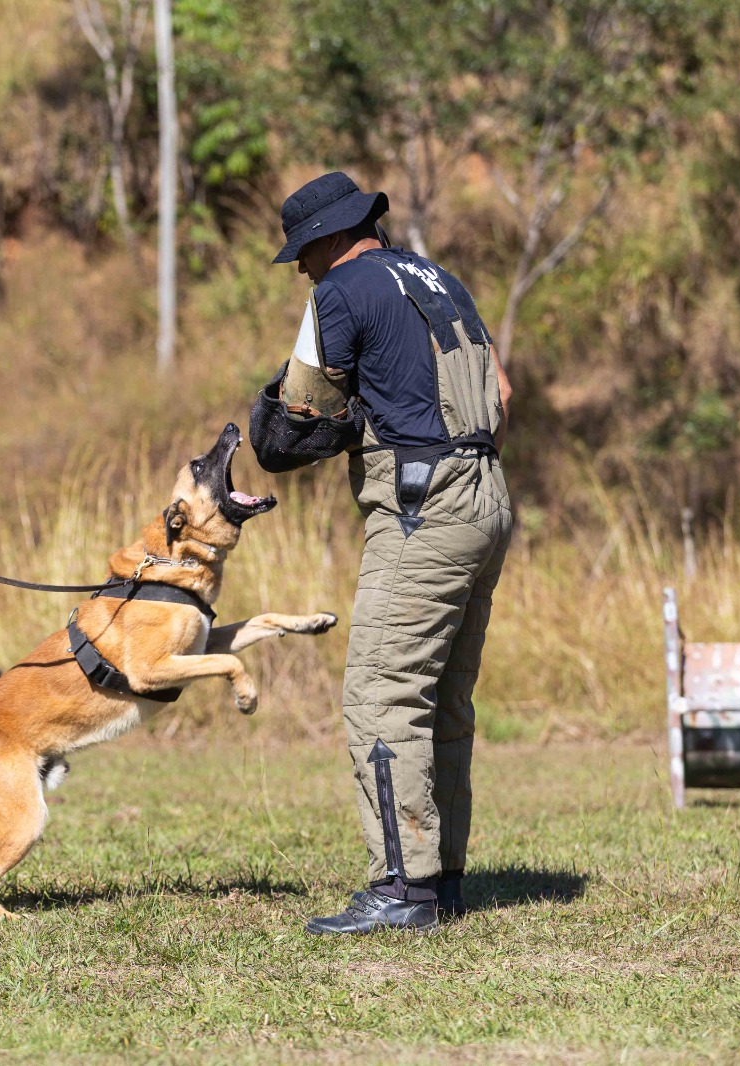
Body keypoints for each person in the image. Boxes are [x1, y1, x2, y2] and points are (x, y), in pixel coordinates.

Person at [263, 172, 514, 935]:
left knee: (382, 697)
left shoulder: (338, 291)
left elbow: (300, 411)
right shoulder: (440, 278)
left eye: (303, 254)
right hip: (488, 496)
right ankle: (444, 880)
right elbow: (499, 389)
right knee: (442, 702)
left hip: (421, 505)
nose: (302, 269)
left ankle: (402, 891)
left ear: (326, 241)